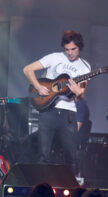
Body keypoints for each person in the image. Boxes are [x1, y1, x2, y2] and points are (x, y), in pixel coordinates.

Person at [23, 30, 91, 172]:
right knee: (43, 154)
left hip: (69, 114)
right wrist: (38, 87)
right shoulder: (54, 57)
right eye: (67, 50)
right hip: (48, 110)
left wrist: (78, 93)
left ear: (80, 47)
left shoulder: (85, 67)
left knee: (71, 156)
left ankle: (70, 191)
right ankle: (41, 188)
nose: (70, 53)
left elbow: (80, 95)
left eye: (73, 49)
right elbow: (27, 69)